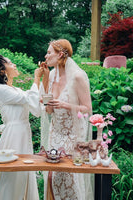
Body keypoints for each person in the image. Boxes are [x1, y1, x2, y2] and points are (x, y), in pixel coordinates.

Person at [39, 39, 94, 200]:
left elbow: (87, 108)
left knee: (69, 176)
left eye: (49, 52)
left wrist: (65, 104)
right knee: (51, 176)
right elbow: (49, 111)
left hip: (73, 134)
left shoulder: (77, 76)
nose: (46, 56)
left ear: (61, 54)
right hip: (55, 133)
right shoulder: (52, 75)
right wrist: (46, 101)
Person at [0, 55, 42, 200]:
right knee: (13, 174)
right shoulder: (1, 90)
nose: (15, 65)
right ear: (1, 71)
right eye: (11, 63)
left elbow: (35, 107)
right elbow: (29, 98)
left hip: (23, 132)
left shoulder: (16, 89)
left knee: (25, 171)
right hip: (13, 135)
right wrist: (37, 78)